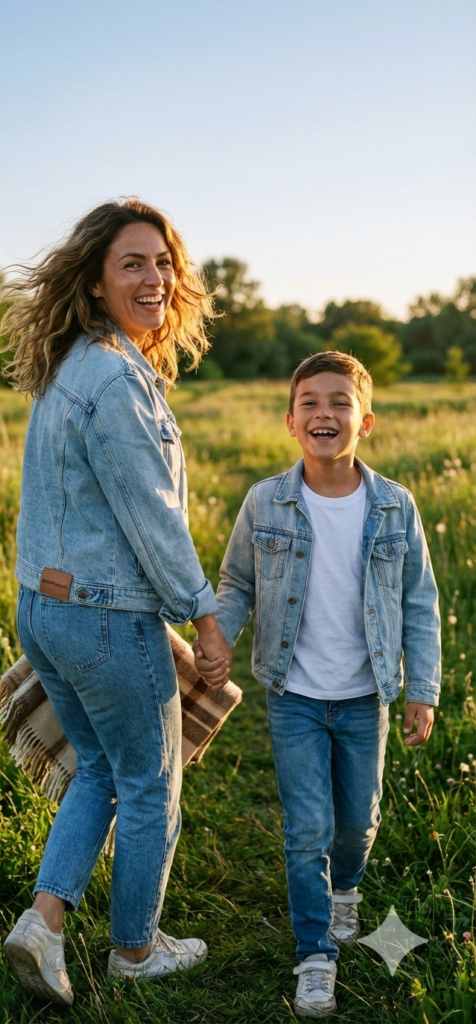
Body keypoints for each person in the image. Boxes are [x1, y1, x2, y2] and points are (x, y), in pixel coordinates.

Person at [0, 199, 232, 1006]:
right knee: (151, 784)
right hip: (102, 615)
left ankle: (44, 921)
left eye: (163, 262)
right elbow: (154, 519)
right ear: (96, 284)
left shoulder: (71, 364)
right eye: (133, 263)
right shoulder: (115, 380)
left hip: (45, 607)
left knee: (99, 766)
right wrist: (202, 616)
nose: (156, 277)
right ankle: (135, 951)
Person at [194, 351, 441, 1019]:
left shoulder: (393, 506)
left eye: (339, 402)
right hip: (294, 695)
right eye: (310, 402)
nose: (324, 412)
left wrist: (423, 689)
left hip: (366, 696)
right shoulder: (265, 501)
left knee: (357, 824)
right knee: (307, 830)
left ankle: (347, 892)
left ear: (365, 421)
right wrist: (218, 639)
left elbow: (419, 601)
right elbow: (238, 583)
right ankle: (315, 956)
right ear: (290, 420)